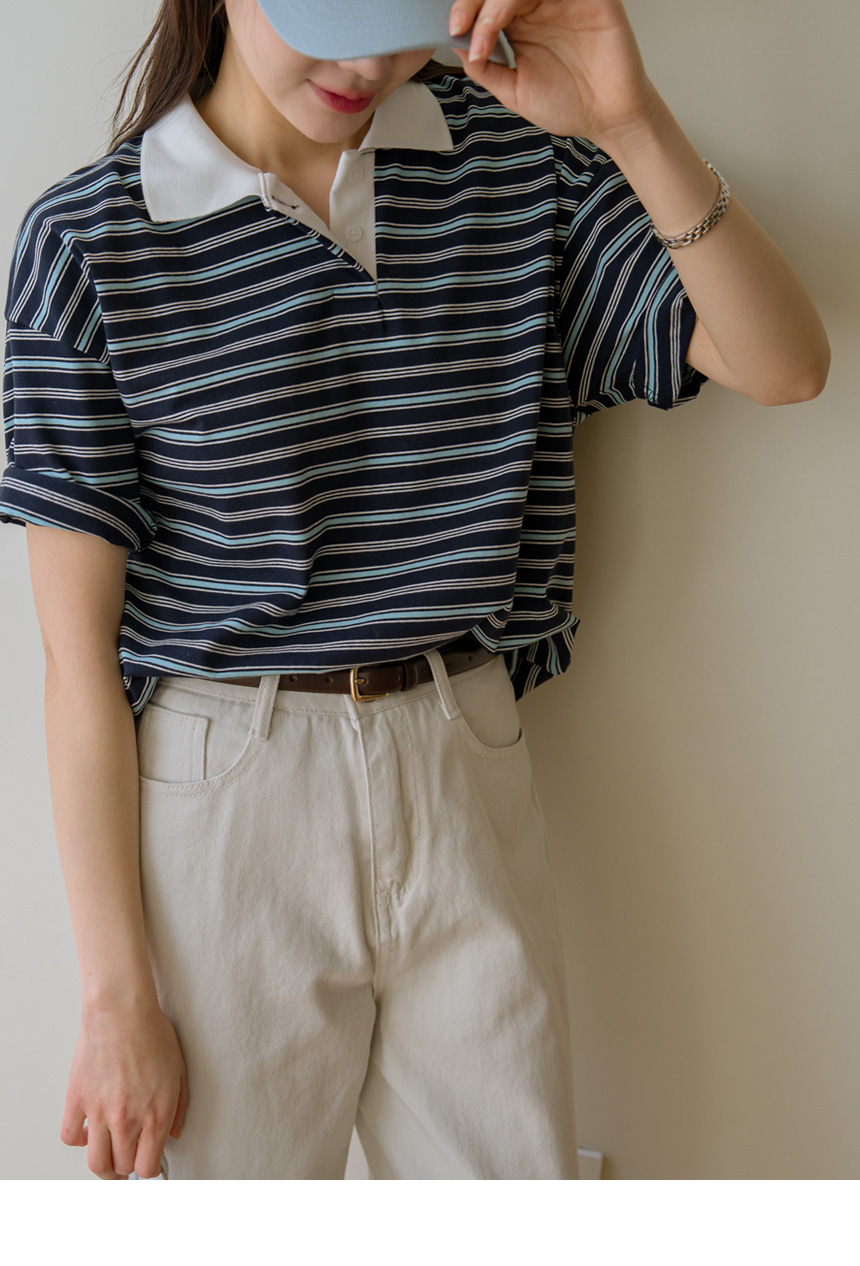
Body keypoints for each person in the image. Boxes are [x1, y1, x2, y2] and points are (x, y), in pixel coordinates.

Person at [0, 0, 829, 1181]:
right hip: (229, 789)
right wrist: (114, 997)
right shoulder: (91, 241)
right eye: (331, 14)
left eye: (400, 19)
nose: (364, 62)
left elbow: (783, 361)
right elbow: (75, 663)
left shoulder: (513, 172)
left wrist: (628, 119)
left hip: (461, 752)